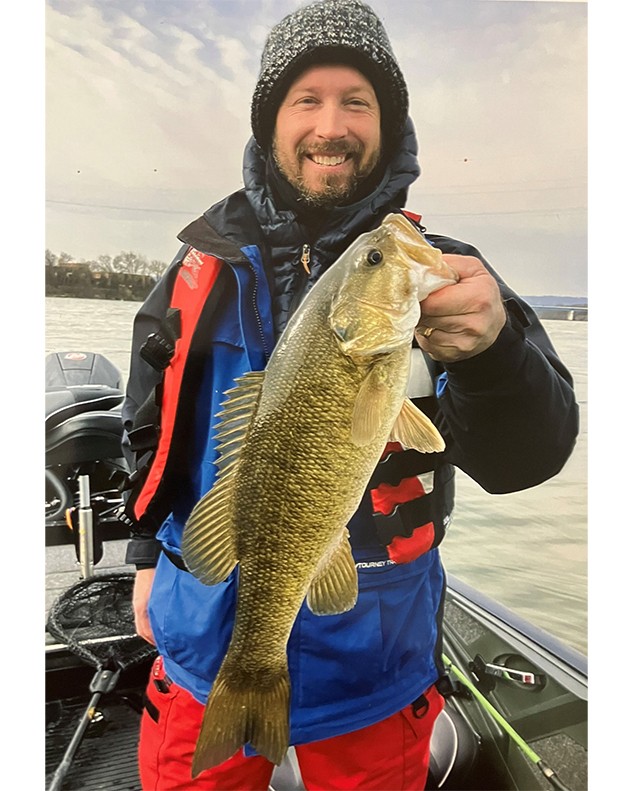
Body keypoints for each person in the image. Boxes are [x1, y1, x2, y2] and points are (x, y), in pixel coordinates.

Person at [121, 1, 579, 788]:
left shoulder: (450, 279)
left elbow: (524, 461)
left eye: (356, 101)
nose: (330, 124)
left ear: (388, 121)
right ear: (269, 122)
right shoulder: (192, 271)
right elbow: (148, 427)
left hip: (374, 667)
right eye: (306, 100)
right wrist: (138, 555)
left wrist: (493, 352)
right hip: (200, 650)